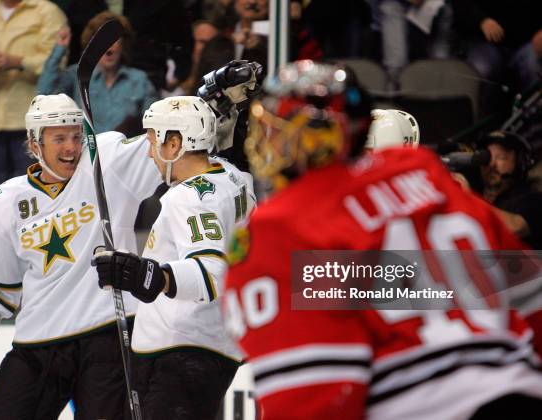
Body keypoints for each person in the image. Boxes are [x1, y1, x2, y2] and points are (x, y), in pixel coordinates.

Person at [224, 60, 542, 419]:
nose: (267, 139)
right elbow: (532, 297)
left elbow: (320, 397)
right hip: (519, 390)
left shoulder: (281, 224)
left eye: (279, 128)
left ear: (317, 137)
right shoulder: (425, 173)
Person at [0, 93, 162, 419]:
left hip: (110, 337)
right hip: (39, 343)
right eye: (58, 139)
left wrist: (213, 99)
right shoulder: (5, 202)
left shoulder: (109, 163)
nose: (71, 148)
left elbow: (171, 143)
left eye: (75, 136)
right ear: (34, 143)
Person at [93, 95, 256, 419]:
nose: (151, 153)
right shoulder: (234, 175)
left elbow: (211, 272)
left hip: (180, 351)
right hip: (212, 344)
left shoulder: (188, 198)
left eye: (154, 142)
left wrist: (152, 276)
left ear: (175, 143)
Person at [0, 0, 67, 197]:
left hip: (32, 126)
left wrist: (17, 62)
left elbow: (58, 64)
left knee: (34, 200)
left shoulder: (47, 11)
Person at [37, 11, 158, 135]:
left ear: (123, 44)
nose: (108, 47)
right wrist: (59, 49)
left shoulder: (139, 80)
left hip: (126, 153)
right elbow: (45, 94)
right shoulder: (77, 75)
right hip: (87, 152)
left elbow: (154, 124)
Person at [473, 130, 542, 249]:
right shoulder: (474, 195)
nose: (492, 164)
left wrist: (466, 197)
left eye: (501, 157)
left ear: (520, 162)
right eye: (486, 157)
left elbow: (515, 227)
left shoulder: (534, 199)